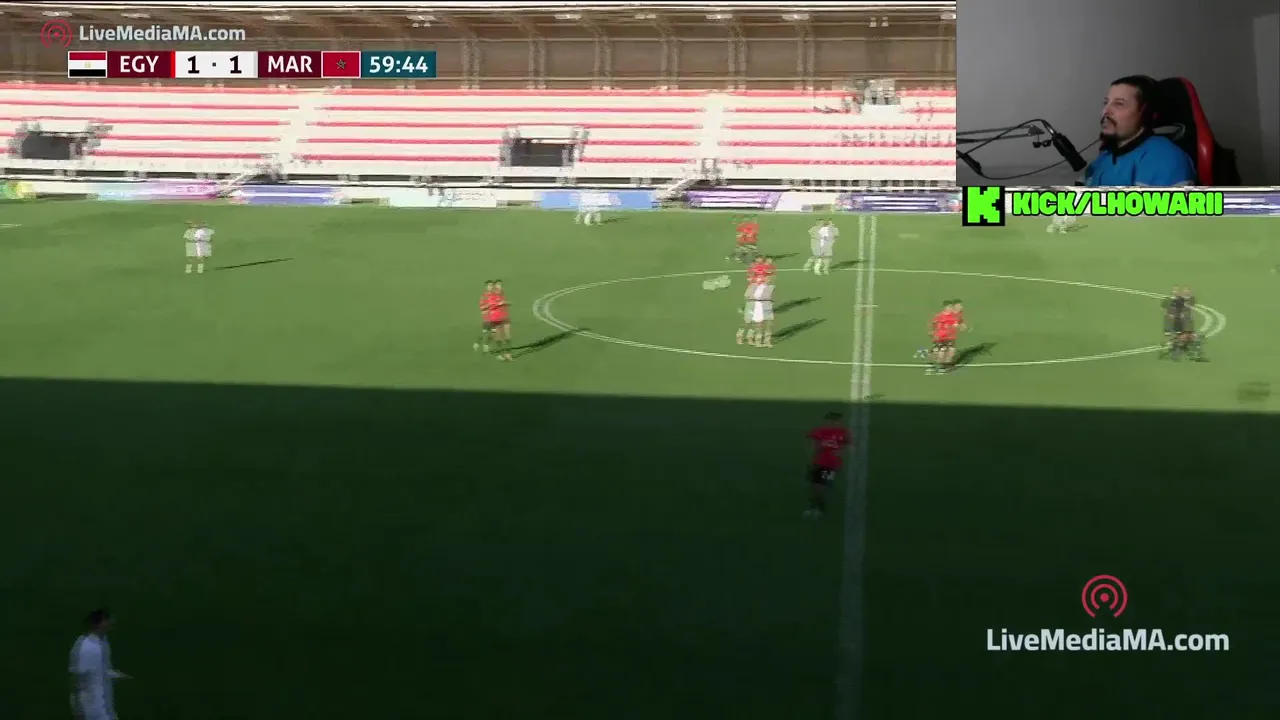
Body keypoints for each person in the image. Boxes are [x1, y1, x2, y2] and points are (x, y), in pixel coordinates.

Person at [1085, 75, 1197, 188]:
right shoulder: (1104, 157)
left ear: (1145, 112)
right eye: (1106, 102)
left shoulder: (1166, 160)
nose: (1105, 111)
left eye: (1119, 104)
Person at [70, 608, 130, 720]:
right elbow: (78, 679)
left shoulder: (102, 642)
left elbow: (99, 670)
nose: (110, 622)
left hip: (104, 706)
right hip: (93, 709)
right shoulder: (88, 648)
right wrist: (78, 709)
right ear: (96, 624)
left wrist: (116, 675)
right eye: (106, 620)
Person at [805, 412, 851, 518]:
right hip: (818, 462)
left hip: (831, 464)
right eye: (832, 421)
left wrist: (841, 452)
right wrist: (811, 460)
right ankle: (813, 507)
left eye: (836, 421)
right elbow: (812, 445)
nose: (834, 423)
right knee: (814, 487)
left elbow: (848, 446)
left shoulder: (843, 433)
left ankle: (819, 508)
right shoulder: (819, 431)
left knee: (821, 487)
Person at [737, 275, 774, 348]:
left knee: (756, 324)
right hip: (751, 305)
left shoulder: (770, 287)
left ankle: (751, 338)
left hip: (761, 306)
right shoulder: (753, 286)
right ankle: (739, 336)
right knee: (747, 322)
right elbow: (746, 296)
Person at [927, 300, 961, 374]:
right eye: (950, 307)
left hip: (948, 337)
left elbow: (955, 325)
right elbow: (934, 323)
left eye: (951, 307)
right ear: (946, 307)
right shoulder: (940, 316)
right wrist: (932, 331)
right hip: (941, 337)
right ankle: (939, 366)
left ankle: (943, 366)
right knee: (940, 352)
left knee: (948, 351)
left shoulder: (951, 316)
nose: (951, 308)